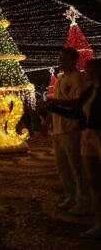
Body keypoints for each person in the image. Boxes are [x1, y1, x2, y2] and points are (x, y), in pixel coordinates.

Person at [50, 58, 101, 239]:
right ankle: (96, 218)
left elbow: (77, 107)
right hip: (84, 134)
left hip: (92, 134)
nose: (84, 72)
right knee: (91, 178)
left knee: (78, 169)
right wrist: (53, 108)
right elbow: (77, 110)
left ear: (94, 73)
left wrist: (55, 104)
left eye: (87, 70)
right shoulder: (88, 92)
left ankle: (83, 201)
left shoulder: (83, 84)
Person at [50, 48, 90, 215]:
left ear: (73, 61)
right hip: (58, 129)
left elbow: (77, 103)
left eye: (64, 59)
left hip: (70, 127)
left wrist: (53, 103)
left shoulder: (77, 79)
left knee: (76, 166)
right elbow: (56, 104)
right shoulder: (60, 79)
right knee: (62, 166)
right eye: (60, 59)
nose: (60, 62)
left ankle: (84, 200)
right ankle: (70, 195)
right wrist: (47, 122)